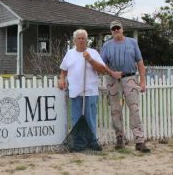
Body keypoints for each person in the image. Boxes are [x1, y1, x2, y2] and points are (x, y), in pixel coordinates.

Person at [101, 20, 151, 153]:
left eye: (118, 28)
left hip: (130, 79)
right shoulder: (106, 45)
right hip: (113, 80)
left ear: (122, 29)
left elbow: (140, 63)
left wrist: (142, 82)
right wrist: (112, 73)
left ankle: (139, 141)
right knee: (115, 110)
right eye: (113, 29)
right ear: (111, 31)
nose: (116, 30)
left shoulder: (132, 43)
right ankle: (119, 139)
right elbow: (102, 64)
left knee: (134, 109)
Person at [59, 29, 106, 151]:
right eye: (78, 38)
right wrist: (62, 79)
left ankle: (92, 141)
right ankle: (78, 143)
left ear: (87, 40)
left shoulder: (93, 52)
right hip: (75, 91)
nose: (81, 40)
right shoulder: (69, 53)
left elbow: (102, 70)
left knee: (90, 118)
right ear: (74, 40)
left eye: (83, 38)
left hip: (90, 91)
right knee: (76, 118)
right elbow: (63, 70)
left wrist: (90, 59)